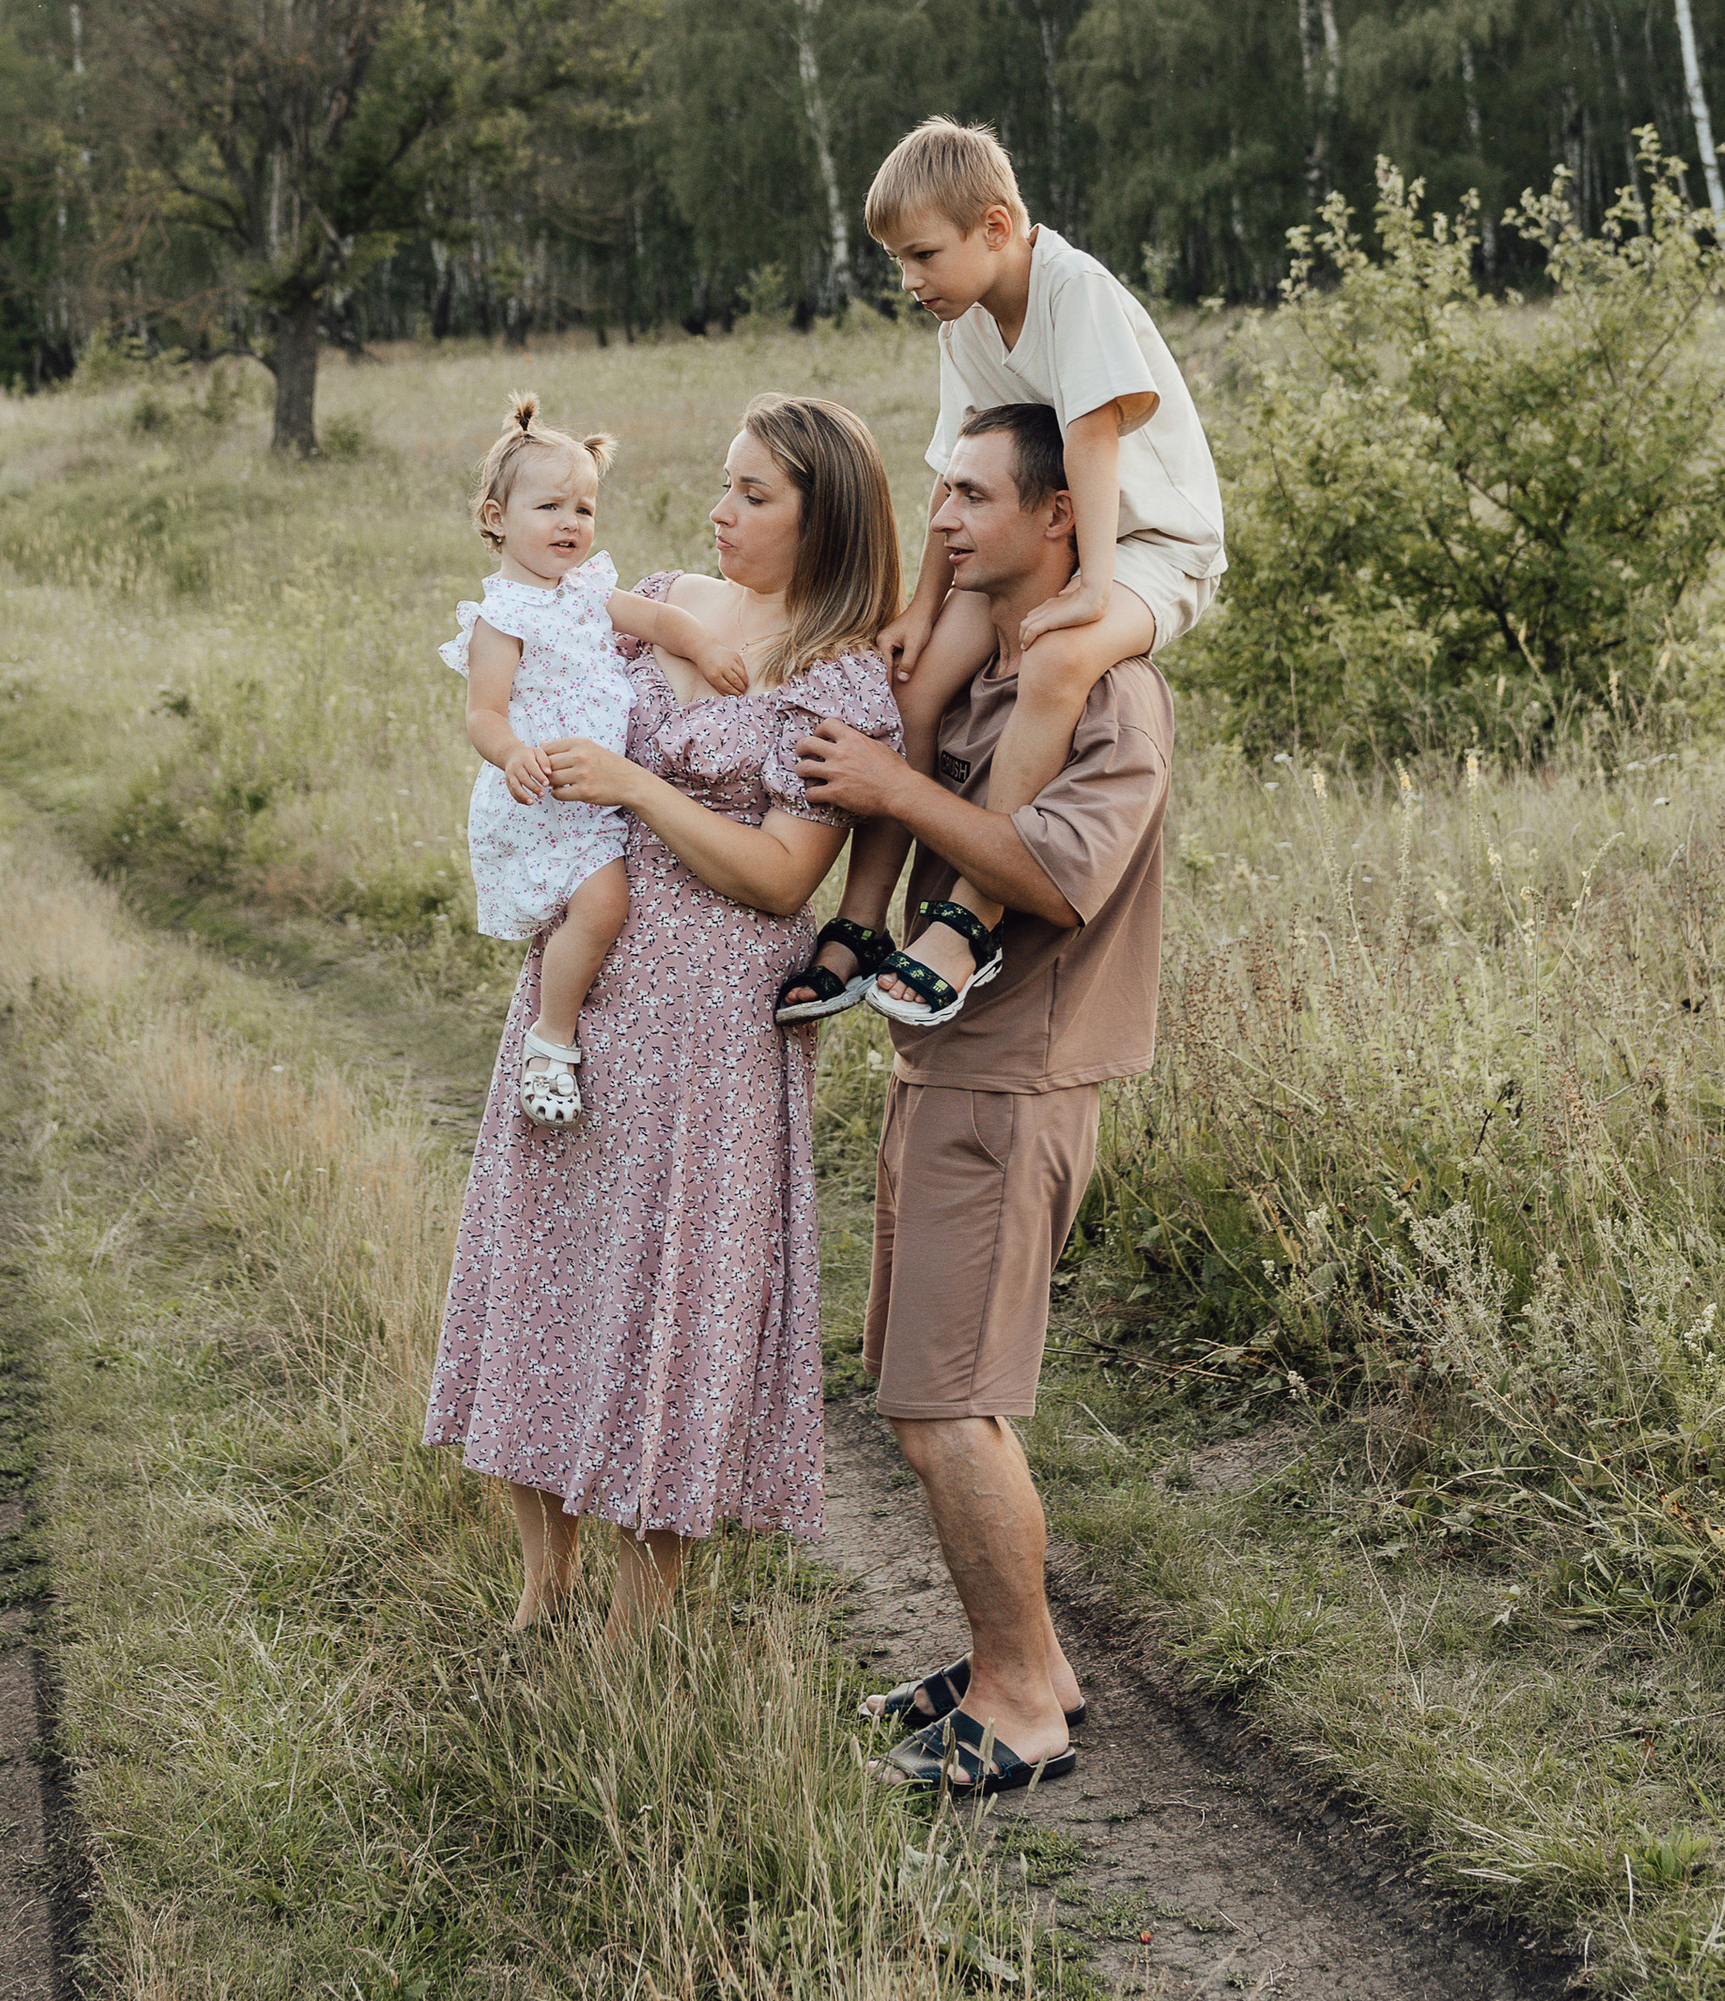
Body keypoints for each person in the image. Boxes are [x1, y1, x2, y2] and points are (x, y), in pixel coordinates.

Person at [424, 396, 904, 1629]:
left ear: (822, 518)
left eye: (753, 494)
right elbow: (537, 683)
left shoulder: (840, 665)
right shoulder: (663, 592)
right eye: (723, 484)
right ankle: (542, 1584)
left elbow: (784, 875)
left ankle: (643, 1621)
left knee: (674, 1298)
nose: (718, 510)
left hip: (720, 1023)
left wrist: (636, 779)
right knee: (547, 1261)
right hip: (593, 982)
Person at [794, 402, 1171, 1794]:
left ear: (1060, 514)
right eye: (939, 490)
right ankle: (1027, 1656)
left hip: (1018, 1078)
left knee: (948, 1400)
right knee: (928, 1393)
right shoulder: (984, 663)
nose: (942, 518)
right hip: (942, 1062)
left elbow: (1061, 876)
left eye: (973, 494)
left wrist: (895, 779)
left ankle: (1020, 1701)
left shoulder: (1108, 690)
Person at [785, 115, 1218, 1034]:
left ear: (993, 226)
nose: (910, 281)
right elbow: (959, 470)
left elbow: (1093, 438)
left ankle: (969, 918)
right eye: (899, 261)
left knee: (1060, 660)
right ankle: (863, 917)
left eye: (922, 255)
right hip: (1046, 540)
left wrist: (1094, 587)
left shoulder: (1073, 289)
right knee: (917, 678)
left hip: (1149, 546)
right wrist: (922, 605)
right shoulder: (967, 321)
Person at [443, 396, 751, 1130]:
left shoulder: (584, 589)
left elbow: (655, 618)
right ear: (495, 519)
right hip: (546, 792)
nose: (570, 523)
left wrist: (703, 645)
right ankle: (551, 1039)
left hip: (596, 789)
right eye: (548, 506)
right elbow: (484, 713)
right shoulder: (503, 616)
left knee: (597, 907)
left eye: (583, 507)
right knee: (603, 903)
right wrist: (513, 752)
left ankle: (559, 1022)